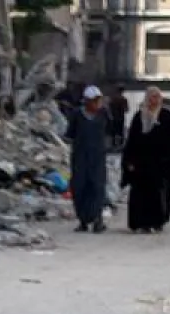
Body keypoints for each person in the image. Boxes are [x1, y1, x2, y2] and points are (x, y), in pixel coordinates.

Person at [121, 87, 170, 234]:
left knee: (159, 194)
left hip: (160, 164)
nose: (155, 100)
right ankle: (140, 223)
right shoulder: (139, 117)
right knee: (140, 194)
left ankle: (157, 222)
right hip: (141, 164)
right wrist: (129, 162)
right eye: (152, 97)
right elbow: (132, 141)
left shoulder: (166, 117)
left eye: (157, 97)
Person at [66, 85, 111, 233]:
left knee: (97, 188)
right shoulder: (77, 115)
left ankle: (98, 219)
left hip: (97, 157)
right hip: (80, 158)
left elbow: (111, 131)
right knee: (80, 188)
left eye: (98, 101)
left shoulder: (104, 114)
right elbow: (70, 134)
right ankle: (83, 220)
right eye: (94, 101)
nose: (97, 104)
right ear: (86, 101)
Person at [109, 87, 130, 151]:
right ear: (122, 91)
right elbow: (126, 110)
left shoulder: (113, 99)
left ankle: (113, 145)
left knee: (114, 132)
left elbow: (109, 108)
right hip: (121, 118)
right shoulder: (124, 99)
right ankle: (120, 145)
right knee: (121, 131)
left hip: (114, 118)